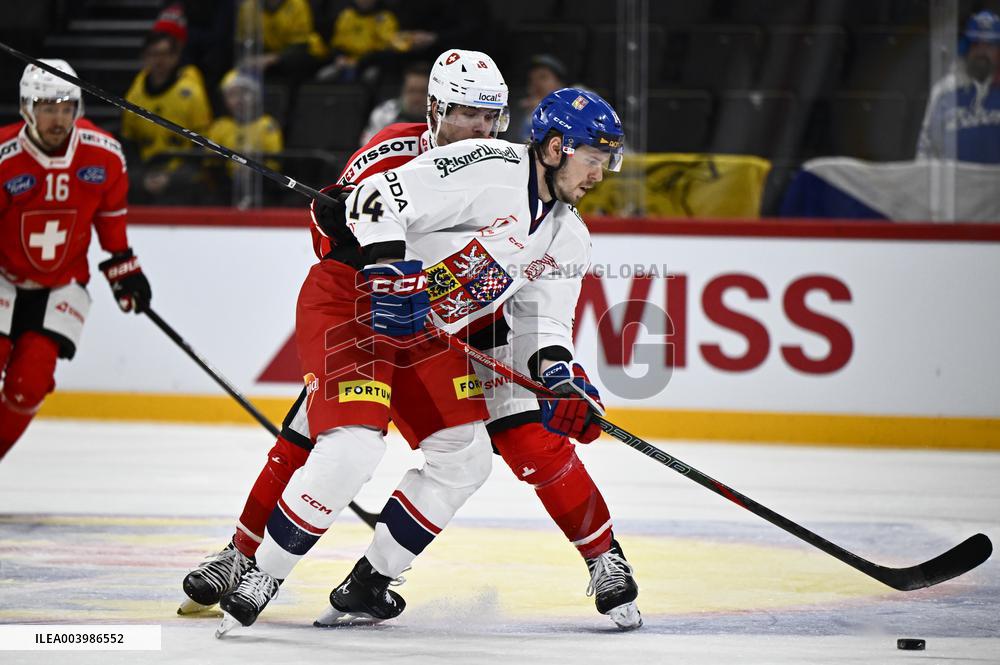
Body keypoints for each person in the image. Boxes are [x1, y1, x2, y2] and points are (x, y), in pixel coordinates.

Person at [182, 51, 638, 632]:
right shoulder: (436, 156)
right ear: (435, 109)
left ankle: (372, 584)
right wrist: (375, 257)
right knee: (326, 440)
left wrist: (560, 377)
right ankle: (245, 559)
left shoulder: (565, 231)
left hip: (449, 326)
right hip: (370, 306)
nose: (480, 128)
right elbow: (351, 226)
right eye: (468, 114)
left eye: (492, 116)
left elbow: (542, 324)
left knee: (494, 450)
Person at [0, 60, 152, 458]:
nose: (58, 117)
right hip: (2, 277)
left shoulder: (103, 155)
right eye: (47, 107)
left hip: (61, 285)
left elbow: (110, 218)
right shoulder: (3, 157)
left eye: (66, 106)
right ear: (26, 109)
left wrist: (124, 268)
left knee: (29, 385)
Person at [120, 28, 212, 203]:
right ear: (145, 57)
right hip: (146, 168)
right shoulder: (134, 94)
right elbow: (129, 142)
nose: (159, 60)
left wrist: (171, 177)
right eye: (153, 54)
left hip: (182, 169)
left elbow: (202, 145)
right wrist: (143, 175)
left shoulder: (191, 93)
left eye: (164, 54)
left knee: (186, 183)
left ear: (175, 57)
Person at [917, 10, 1000, 163]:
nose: (982, 52)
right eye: (976, 44)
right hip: (956, 185)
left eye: (989, 45)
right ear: (966, 48)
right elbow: (927, 148)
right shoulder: (945, 90)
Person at [203, 69, 284, 206]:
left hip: (261, 186)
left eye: (244, 93)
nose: (239, 100)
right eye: (232, 95)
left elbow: (274, 161)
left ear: (256, 96)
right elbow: (210, 163)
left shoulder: (267, 124)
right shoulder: (220, 126)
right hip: (226, 187)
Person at [235, 0, 327, 80]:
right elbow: (245, 42)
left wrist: (271, 59)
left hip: (297, 54)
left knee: (294, 66)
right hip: (263, 55)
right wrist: (251, 59)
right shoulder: (248, 7)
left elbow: (300, 45)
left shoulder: (298, 4)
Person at [318, 0, 401, 83]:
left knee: (370, 76)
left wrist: (360, 62)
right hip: (347, 61)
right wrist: (340, 57)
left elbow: (386, 46)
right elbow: (337, 43)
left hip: (372, 63)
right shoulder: (346, 15)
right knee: (323, 75)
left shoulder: (384, 17)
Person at [358, 61, 428, 144]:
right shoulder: (383, 113)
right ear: (402, 90)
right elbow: (367, 145)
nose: (417, 98)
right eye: (411, 91)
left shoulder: (440, 117)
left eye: (423, 91)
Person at [515, 55, 568, 141]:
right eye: (531, 79)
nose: (536, 83)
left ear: (559, 83)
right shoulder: (519, 111)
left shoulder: (571, 109)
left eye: (543, 77)